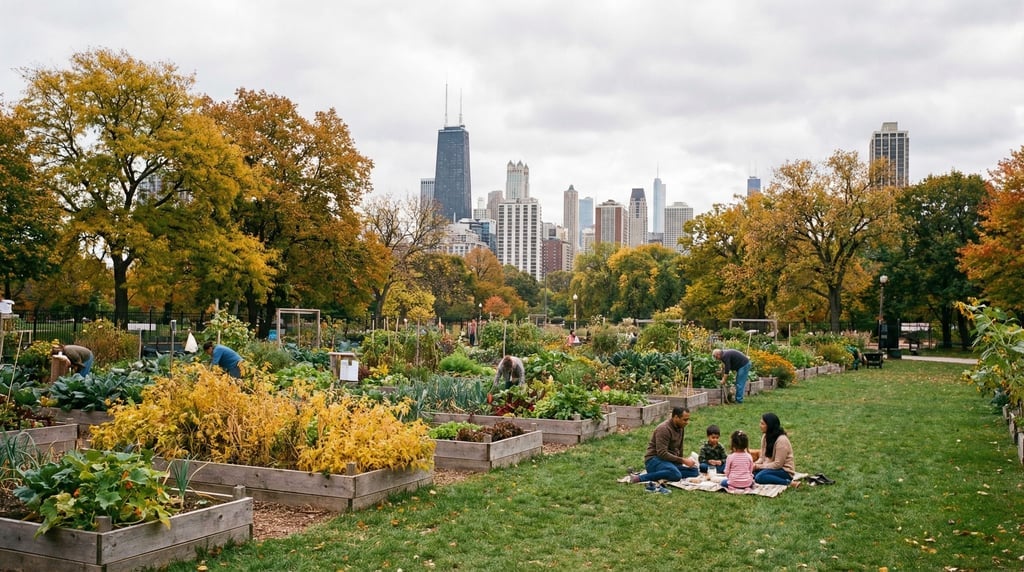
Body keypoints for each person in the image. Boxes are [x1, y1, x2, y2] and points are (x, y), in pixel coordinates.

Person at [622, 406, 700, 486]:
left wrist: (680, 463)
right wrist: (683, 460)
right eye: (685, 419)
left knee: (694, 471)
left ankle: (665, 474)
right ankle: (639, 478)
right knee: (676, 475)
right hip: (654, 460)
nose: (687, 422)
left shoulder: (680, 427)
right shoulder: (664, 429)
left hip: (669, 461)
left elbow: (680, 448)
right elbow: (662, 453)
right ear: (676, 417)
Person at [753, 412, 797, 487]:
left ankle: (788, 483)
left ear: (769, 426)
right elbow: (762, 458)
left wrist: (758, 467)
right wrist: (754, 465)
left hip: (784, 471)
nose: (760, 425)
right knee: (750, 473)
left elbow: (778, 464)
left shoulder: (781, 440)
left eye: (762, 424)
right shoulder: (765, 436)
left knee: (759, 477)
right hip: (769, 467)